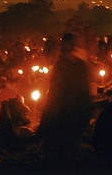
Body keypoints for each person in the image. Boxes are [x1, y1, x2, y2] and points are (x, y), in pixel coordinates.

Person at [37, 32, 92, 166]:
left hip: (61, 117)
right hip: (74, 116)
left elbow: (54, 94)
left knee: (59, 157)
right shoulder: (80, 66)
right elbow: (85, 92)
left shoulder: (62, 66)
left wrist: (45, 120)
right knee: (70, 155)